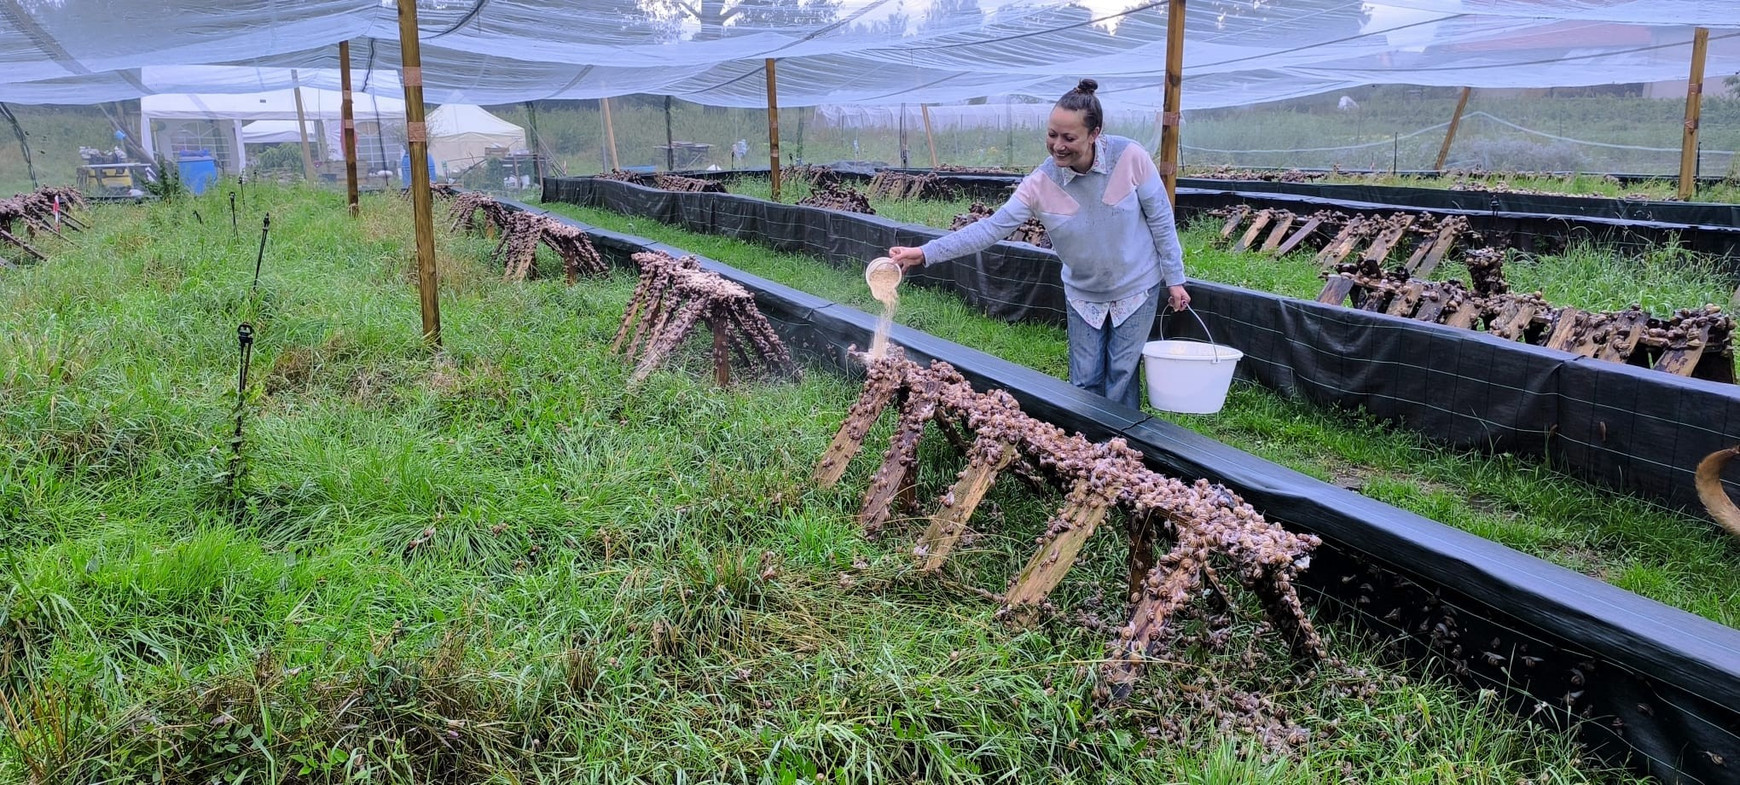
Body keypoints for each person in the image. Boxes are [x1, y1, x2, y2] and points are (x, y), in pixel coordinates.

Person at [887, 79, 1189, 410]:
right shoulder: (1040, 184)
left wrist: (1174, 279)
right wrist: (925, 253)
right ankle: (1084, 450)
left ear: (1094, 133)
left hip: (1137, 287)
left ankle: (1121, 455)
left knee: (1121, 374)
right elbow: (990, 229)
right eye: (1051, 135)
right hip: (1083, 293)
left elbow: (1160, 217)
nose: (1058, 145)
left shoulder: (1130, 157)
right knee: (1085, 378)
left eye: (1069, 137)